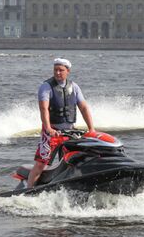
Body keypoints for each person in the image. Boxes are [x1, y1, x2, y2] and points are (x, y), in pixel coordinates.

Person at [27, 58, 95, 188]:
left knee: (73, 161)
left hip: (70, 132)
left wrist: (91, 128)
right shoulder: (46, 87)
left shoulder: (74, 87)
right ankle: (29, 190)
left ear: (68, 71)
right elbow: (44, 109)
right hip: (52, 132)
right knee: (42, 163)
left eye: (61, 70)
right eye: (55, 70)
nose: (58, 73)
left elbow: (84, 108)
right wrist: (47, 128)